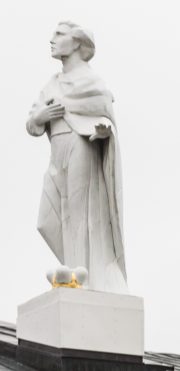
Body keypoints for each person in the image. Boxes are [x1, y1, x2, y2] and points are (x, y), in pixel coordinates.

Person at [25, 21, 127, 293]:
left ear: (78, 43)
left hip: (81, 144)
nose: (52, 39)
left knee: (81, 213)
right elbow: (32, 123)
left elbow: (105, 118)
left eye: (59, 35)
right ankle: (75, 267)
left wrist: (104, 132)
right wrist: (41, 116)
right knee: (49, 219)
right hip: (57, 149)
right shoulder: (52, 84)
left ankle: (82, 274)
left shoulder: (92, 82)